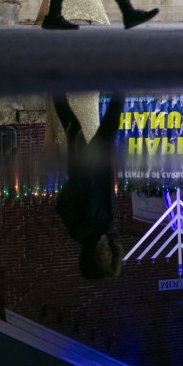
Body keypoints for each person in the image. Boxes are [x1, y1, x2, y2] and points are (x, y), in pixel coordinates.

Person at [54, 95, 125, 278]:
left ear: (93, 257)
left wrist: (79, 180)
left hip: (83, 166)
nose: (108, 253)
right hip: (100, 166)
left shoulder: (81, 231)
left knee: (72, 124)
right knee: (112, 120)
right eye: (111, 257)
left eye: (104, 258)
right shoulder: (109, 229)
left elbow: (63, 205)